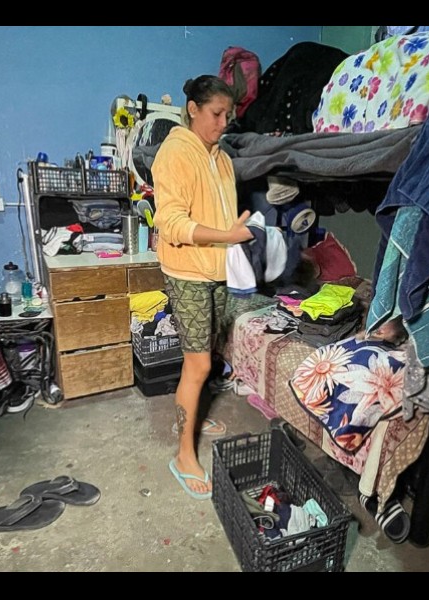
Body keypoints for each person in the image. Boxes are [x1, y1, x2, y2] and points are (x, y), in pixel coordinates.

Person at [152, 75, 253, 500]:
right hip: (189, 274)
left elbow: (223, 217)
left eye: (228, 115)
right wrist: (227, 236)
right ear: (193, 109)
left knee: (205, 358)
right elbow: (170, 223)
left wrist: (237, 234)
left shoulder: (222, 158)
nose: (223, 123)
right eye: (216, 114)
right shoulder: (175, 153)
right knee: (197, 366)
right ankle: (183, 454)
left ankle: (191, 417)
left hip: (217, 272)